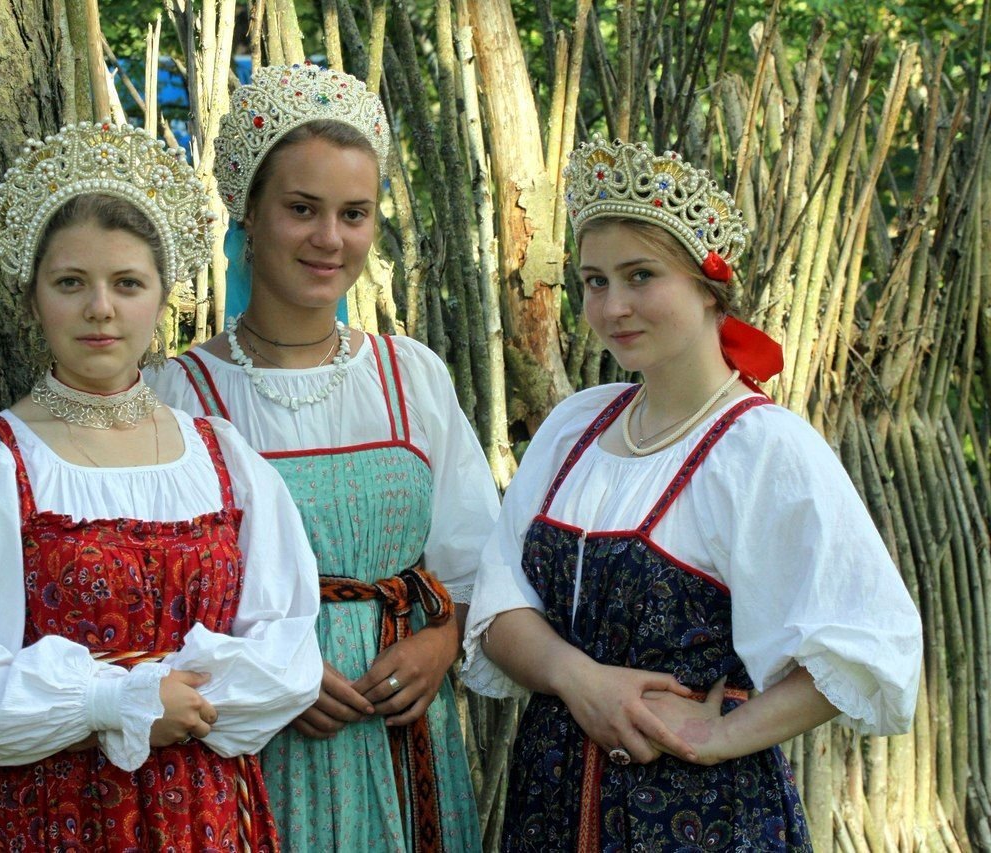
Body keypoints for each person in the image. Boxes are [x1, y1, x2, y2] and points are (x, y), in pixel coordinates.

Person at [462, 136, 922, 851]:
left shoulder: (764, 448)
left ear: (710, 286)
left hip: (700, 817)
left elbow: (871, 638)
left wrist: (719, 736)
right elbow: (499, 600)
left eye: (640, 274)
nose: (614, 305)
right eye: (594, 280)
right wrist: (576, 677)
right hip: (549, 802)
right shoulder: (574, 427)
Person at [0, 120, 322, 851]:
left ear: (161, 297)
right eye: (71, 283)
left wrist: (182, 702)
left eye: (127, 283)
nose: (101, 308)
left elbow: (288, 648)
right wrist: (112, 701)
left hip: (204, 814)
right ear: (33, 299)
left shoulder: (221, 455)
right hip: (40, 817)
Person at [148, 63, 499, 852]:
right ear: (249, 213)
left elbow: (482, 566)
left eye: (354, 213)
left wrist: (441, 640)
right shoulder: (181, 395)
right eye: (302, 209)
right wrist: (265, 678)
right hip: (259, 752)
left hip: (405, 741)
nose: (330, 239)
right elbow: (161, 602)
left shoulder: (412, 378)